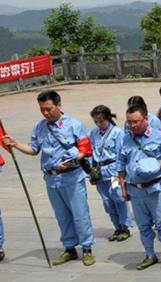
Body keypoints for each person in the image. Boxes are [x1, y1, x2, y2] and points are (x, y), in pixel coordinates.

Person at [2, 90, 96, 266]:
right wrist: (15, 144)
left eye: (49, 108)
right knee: (61, 216)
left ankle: (87, 248)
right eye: (42, 109)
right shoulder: (39, 127)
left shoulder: (74, 125)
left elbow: (85, 150)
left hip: (72, 177)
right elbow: (33, 149)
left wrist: (72, 160)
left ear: (59, 105)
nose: (45, 113)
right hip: (51, 179)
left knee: (80, 214)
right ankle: (69, 248)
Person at [118, 104, 161, 270]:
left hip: (155, 188)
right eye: (129, 122)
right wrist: (123, 188)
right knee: (143, 225)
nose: (133, 125)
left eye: (136, 121)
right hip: (135, 190)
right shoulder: (126, 139)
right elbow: (121, 164)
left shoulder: (159, 136)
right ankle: (150, 254)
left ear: (146, 119)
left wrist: (156, 164)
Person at [88, 105, 132, 242]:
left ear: (107, 118)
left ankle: (124, 227)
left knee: (117, 197)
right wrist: (90, 171)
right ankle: (117, 226)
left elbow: (121, 153)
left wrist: (121, 175)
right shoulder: (93, 133)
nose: (99, 124)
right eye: (96, 121)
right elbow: (90, 153)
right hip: (100, 173)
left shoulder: (117, 133)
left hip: (113, 171)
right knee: (107, 201)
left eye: (101, 121)